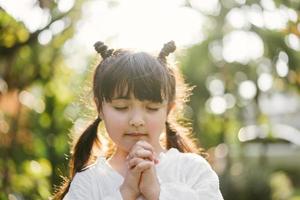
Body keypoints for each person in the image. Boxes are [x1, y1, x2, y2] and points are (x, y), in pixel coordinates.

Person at [53, 41, 223, 200]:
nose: (137, 120)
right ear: (100, 109)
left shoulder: (192, 169)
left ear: (168, 110)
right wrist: (125, 192)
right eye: (121, 107)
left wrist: (157, 192)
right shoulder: (88, 182)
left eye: (152, 108)